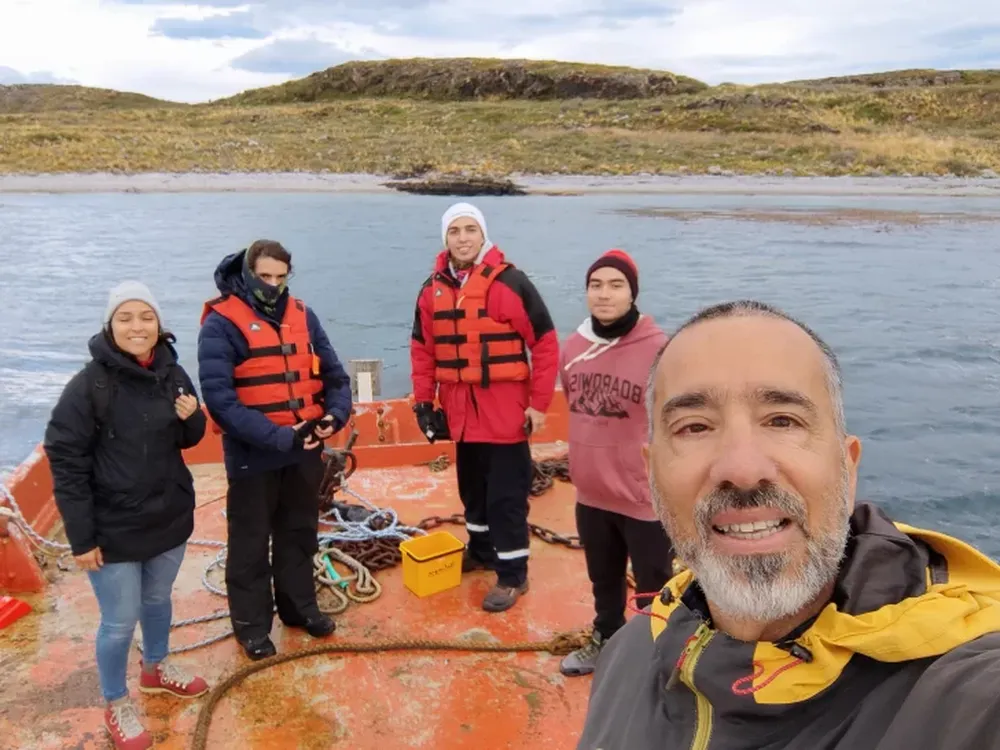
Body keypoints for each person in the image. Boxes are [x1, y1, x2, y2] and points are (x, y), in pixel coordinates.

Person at [576, 299, 1000, 750]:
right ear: (652, 474)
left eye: (783, 420)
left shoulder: (965, 697)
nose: (742, 468)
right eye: (695, 427)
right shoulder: (628, 655)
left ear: (847, 467)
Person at [44, 281, 209, 750]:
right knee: (119, 620)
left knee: (158, 603)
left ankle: (156, 669)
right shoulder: (88, 387)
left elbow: (188, 437)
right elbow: (65, 458)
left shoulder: (173, 372)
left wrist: (191, 417)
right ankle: (116, 700)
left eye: (146, 317)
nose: (138, 326)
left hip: (169, 516)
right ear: (110, 324)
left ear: (159, 324)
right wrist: (82, 538)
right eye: (126, 317)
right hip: (113, 528)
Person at [198, 240, 352, 661]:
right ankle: (251, 627)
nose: (273, 285)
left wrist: (333, 418)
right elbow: (221, 401)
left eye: (281, 278)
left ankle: (300, 609)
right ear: (248, 273)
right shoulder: (220, 325)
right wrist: (280, 436)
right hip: (254, 456)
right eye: (265, 277)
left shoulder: (304, 316)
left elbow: (336, 378)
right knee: (250, 543)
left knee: (299, 533)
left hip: (304, 451)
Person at [410, 202, 559, 612]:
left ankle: (513, 575)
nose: (463, 238)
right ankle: (480, 551)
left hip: (505, 413)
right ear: (445, 238)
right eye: (455, 230)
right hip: (459, 414)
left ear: (483, 234)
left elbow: (544, 343)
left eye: (470, 229)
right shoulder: (431, 289)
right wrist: (424, 402)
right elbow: (422, 350)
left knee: (506, 497)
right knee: (472, 490)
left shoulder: (511, 282)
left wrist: (539, 404)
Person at [557, 249, 675, 677]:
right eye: (596, 285)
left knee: (653, 586)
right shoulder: (573, 347)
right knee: (603, 582)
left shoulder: (659, 350)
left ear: (632, 293)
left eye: (615, 285)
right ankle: (606, 639)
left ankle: (656, 658)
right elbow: (573, 401)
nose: (604, 295)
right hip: (591, 494)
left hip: (641, 496)